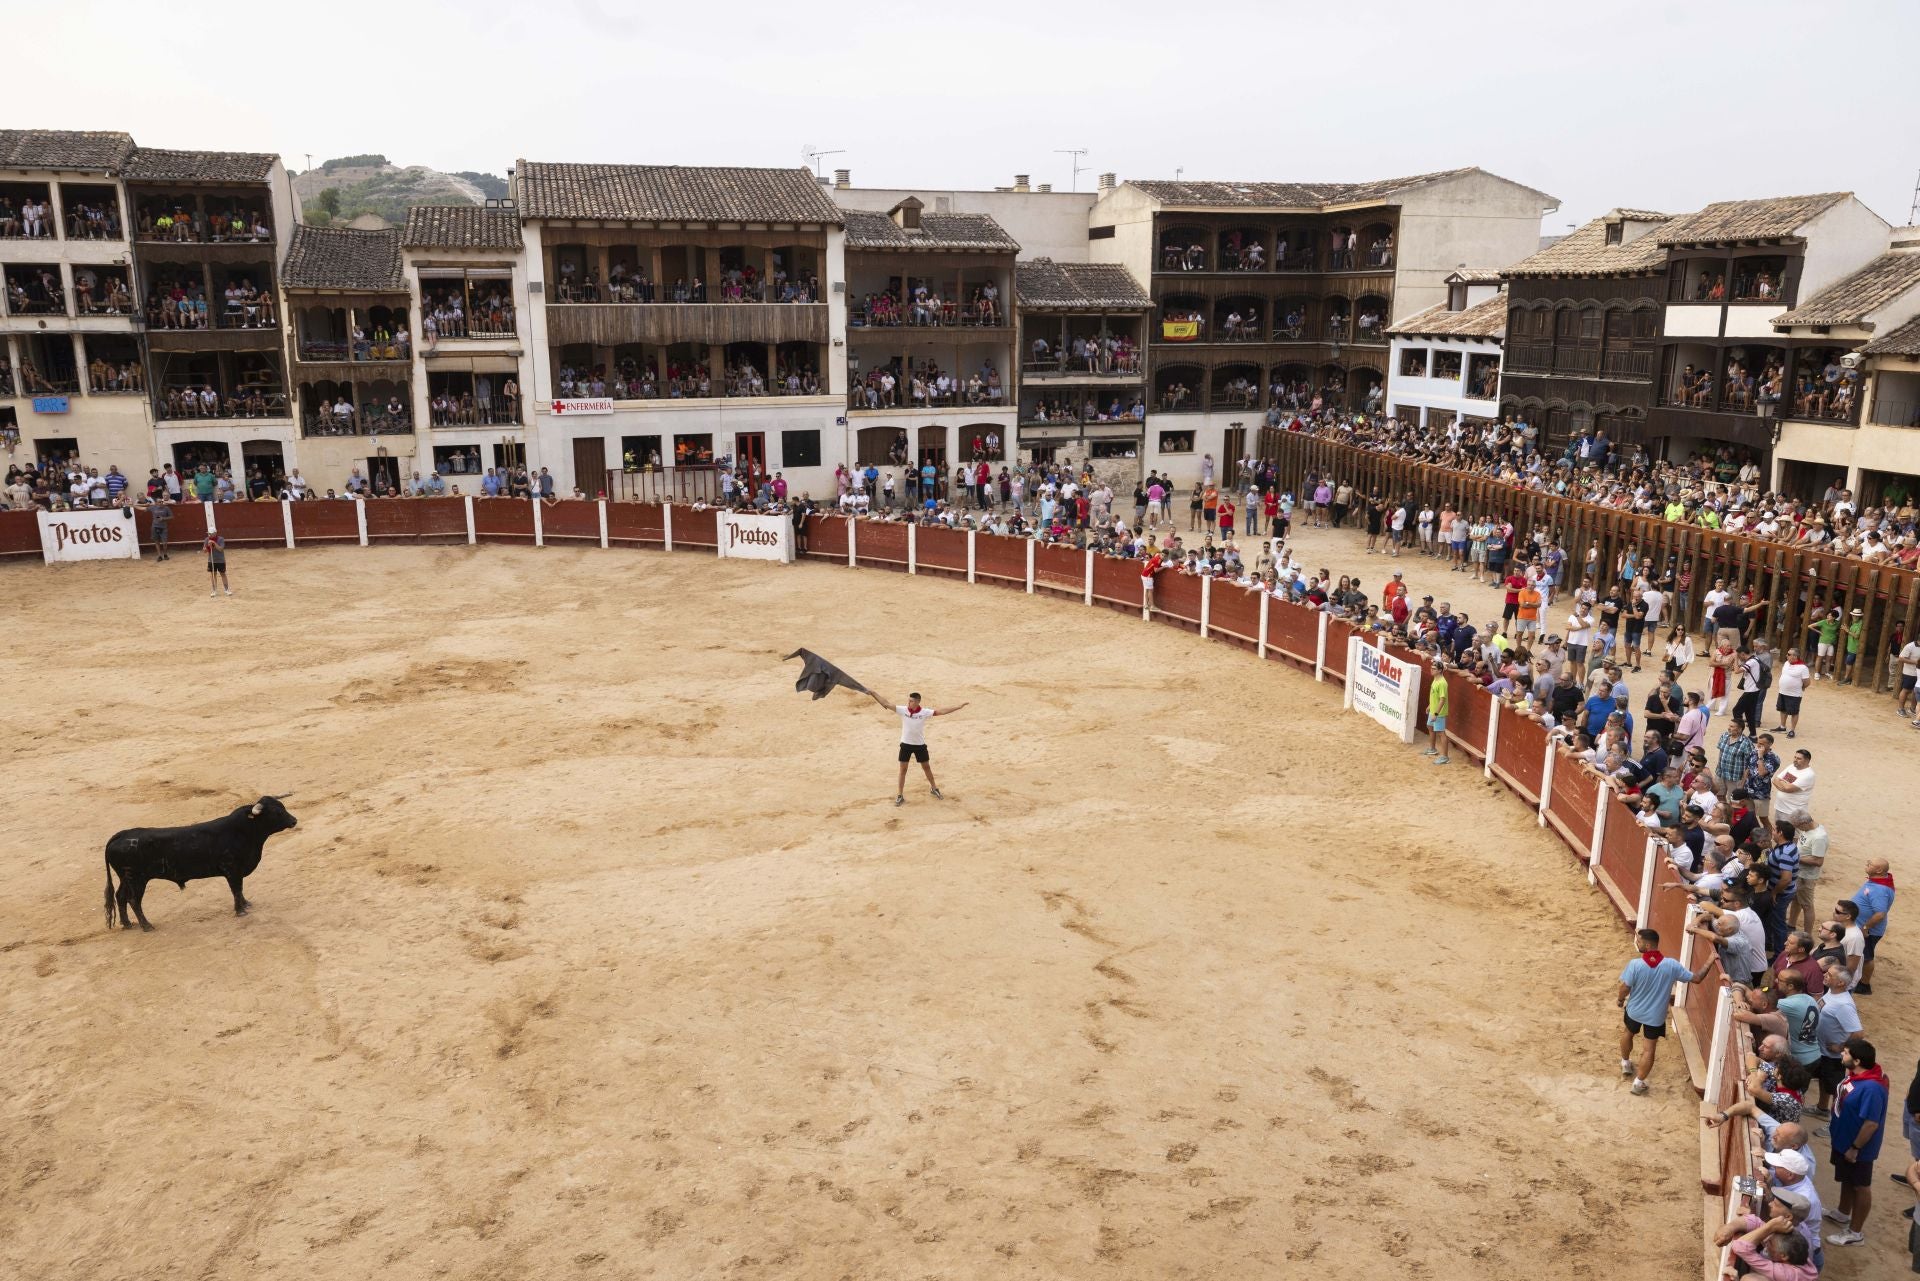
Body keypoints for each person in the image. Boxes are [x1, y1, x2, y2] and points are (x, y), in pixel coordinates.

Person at [1617, 926, 1716, 1095]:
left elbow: (1625, 987)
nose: (1637, 943)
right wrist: (1710, 960)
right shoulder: (1671, 965)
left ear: (1648, 946)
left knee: (1628, 1032)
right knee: (1649, 1049)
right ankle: (1638, 1082)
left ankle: (1625, 1063)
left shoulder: (1635, 964)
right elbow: (1697, 978)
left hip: (1634, 1010)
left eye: (1639, 941)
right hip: (1655, 1016)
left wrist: (1620, 999)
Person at [1825, 1037, 1890, 1246]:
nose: (1842, 1055)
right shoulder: (1856, 1076)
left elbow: (1871, 1124)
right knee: (1848, 1180)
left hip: (1858, 1147)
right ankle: (1843, 1213)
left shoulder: (1871, 1088)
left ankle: (1855, 1233)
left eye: (1845, 1053)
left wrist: (1855, 1148)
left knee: (1861, 1186)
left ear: (1857, 1060)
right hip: (1844, 1140)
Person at [870, 688, 967, 806]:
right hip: (905, 745)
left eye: (911, 701)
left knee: (926, 768)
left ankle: (934, 788)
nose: (908, 703)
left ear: (917, 702)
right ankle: (900, 795)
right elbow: (886, 703)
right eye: (908, 700)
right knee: (903, 770)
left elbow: (941, 711)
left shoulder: (924, 712)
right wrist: (873, 693)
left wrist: (959, 707)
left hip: (920, 745)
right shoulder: (903, 710)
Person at [1848, 857, 1895, 995]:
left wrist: (1865, 928)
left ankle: (1864, 985)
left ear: (1879, 870)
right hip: (1863, 927)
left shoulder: (1880, 889)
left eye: (1870, 864)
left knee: (1867, 956)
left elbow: (1880, 914)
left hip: (1869, 930)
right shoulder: (1877, 881)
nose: (1866, 865)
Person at [1769, 649, 1812, 738]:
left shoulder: (1803, 668)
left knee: (1794, 712)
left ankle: (1792, 730)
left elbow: (1807, 682)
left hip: (1794, 694)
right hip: (1783, 691)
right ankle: (1782, 726)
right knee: (1782, 709)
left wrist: (1802, 687)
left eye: (1789, 654)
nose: (1786, 655)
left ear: (1795, 656)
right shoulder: (1786, 663)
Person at [1422, 657, 1449, 765]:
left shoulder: (1442, 683)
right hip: (1433, 709)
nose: (1431, 670)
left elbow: (1442, 699)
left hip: (1439, 712)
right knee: (1430, 727)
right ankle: (1432, 749)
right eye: (1431, 668)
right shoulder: (1436, 679)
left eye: (1434, 669)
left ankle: (1445, 757)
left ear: (1440, 670)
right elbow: (1435, 695)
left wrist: (1436, 713)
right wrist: (1429, 705)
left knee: (1441, 733)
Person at [204, 531, 230, 597]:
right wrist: (207, 547)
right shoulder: (207, 539)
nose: (209, 535)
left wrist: (214, 543)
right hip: (211, 560)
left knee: (223, 574)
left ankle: (226, 590)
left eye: (211, 533)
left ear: (215, 533)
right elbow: (204, 550)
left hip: (220, 560)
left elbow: (221, 549)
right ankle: (214, 590)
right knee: (213, 575)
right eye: (209, 533)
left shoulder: (221, 539)